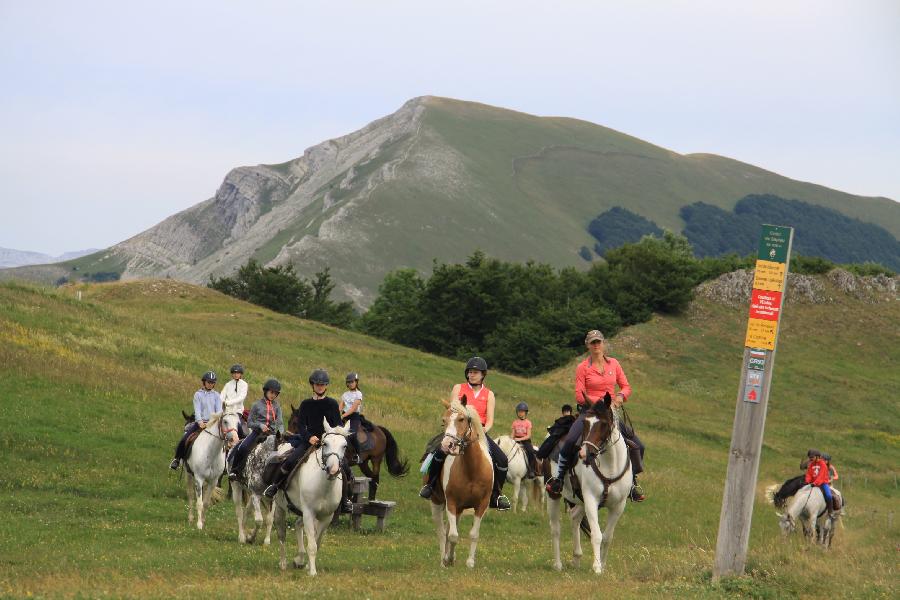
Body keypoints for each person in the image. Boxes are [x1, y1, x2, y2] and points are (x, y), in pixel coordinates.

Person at [546, 330, 646, 502]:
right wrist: (600, 403)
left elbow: (626, 386)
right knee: (570, 441)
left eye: (598, 342)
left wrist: (620, 396)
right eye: (593, 342)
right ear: (588, 345)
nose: (596, 345)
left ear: (603, 343)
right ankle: (559, 479)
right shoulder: (582, 368)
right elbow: (579, 395)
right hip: (589, 413)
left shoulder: (614, 364)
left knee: (638, 445)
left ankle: (632, 482)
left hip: (609, 415)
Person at [419, 357, 512, 511]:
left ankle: (496, 495)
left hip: (478, 433)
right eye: (469, 372)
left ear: (483, 375)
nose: (471, 375)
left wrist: (480, 432)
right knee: (439, 451)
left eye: (475, 372)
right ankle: (430, 485)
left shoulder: (489, 395)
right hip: (456, 430)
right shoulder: (458, 388)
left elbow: (489, 421)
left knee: (502, 460)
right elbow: (452, 411)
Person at [263, 370, 354, 514]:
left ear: (326, 386)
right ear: (313, 385)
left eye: (323, 385)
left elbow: (337, 426)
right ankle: (275, 486)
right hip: (308, 441)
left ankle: (345, 500)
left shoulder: (332, 404)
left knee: (346, 468)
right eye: (317, 384)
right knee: (290, 461)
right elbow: (301, 426)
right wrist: (309, 437)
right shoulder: (305, 404)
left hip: (328, 442)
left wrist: (328, 437)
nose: (320, 387)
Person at [227, 378, 284, 480]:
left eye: (276, 393)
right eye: (271, 392)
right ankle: (234, 471)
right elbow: (249, 422)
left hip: (272, 435)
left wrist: (281, 433)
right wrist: (260, 425)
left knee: (282, 452)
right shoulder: (256, 405)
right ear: (266, 391)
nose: (273, 395)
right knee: (243, 447)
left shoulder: (277, 406)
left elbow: (280, 422)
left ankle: (277, 478)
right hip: (257, 433)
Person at [170, 371, 222, 469]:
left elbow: (219, 410)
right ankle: (177, 459)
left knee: (225, 439)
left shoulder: (217, 395)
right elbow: (197, 410)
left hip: (213, 424)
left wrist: (214, 421)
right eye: (208, 382)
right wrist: (200, 421)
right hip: (201, 423)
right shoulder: (198, 395)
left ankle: (226, 464)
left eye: (212, 382)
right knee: (185, 439)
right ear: (204, 382)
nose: (210, 384)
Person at [341, 372, 364, 462]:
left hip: (354, 418)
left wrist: (343, 415)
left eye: (352, 382)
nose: (350, 384)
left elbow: (353, 408)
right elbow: (341, 406)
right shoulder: (345, 394)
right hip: (344, 416)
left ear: (356, 382)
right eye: (349, 382)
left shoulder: (359, 394)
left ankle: (359, 455)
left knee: (352, 435)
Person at [220, 364, 249, 438]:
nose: (236, 375)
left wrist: (227, 403)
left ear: (241, 374)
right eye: (234, 373)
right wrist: (222, 402)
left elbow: (241, 398)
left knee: (243, 432)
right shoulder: (228, 384)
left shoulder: (244, 385)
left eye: (238, 373)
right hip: (226, 412)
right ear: (232, 374)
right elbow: (222, 396)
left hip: (237, 412)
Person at [510, 402, 537, 479]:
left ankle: (531, 470)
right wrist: (511, 439)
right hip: (516, 440)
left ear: (526, 413)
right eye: (519, 411)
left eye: (522, 412)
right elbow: (512, 434)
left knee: (531, 451)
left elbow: (528, 435)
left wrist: (519, 439)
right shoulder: (515, 422)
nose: (520, 413)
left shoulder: (528, 423)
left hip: (525, 440)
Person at [804, 449, 834, 515]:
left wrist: (815, 483)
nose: (810, 459)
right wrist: (807, 481)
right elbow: (809, 474)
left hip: (823, 483)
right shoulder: (811, 465)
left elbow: (821, 476)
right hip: (813, 483)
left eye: (812, 457)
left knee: (829, 495)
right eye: (810, 458)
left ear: (817, 456)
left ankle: (830, 511)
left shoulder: (823, 464)